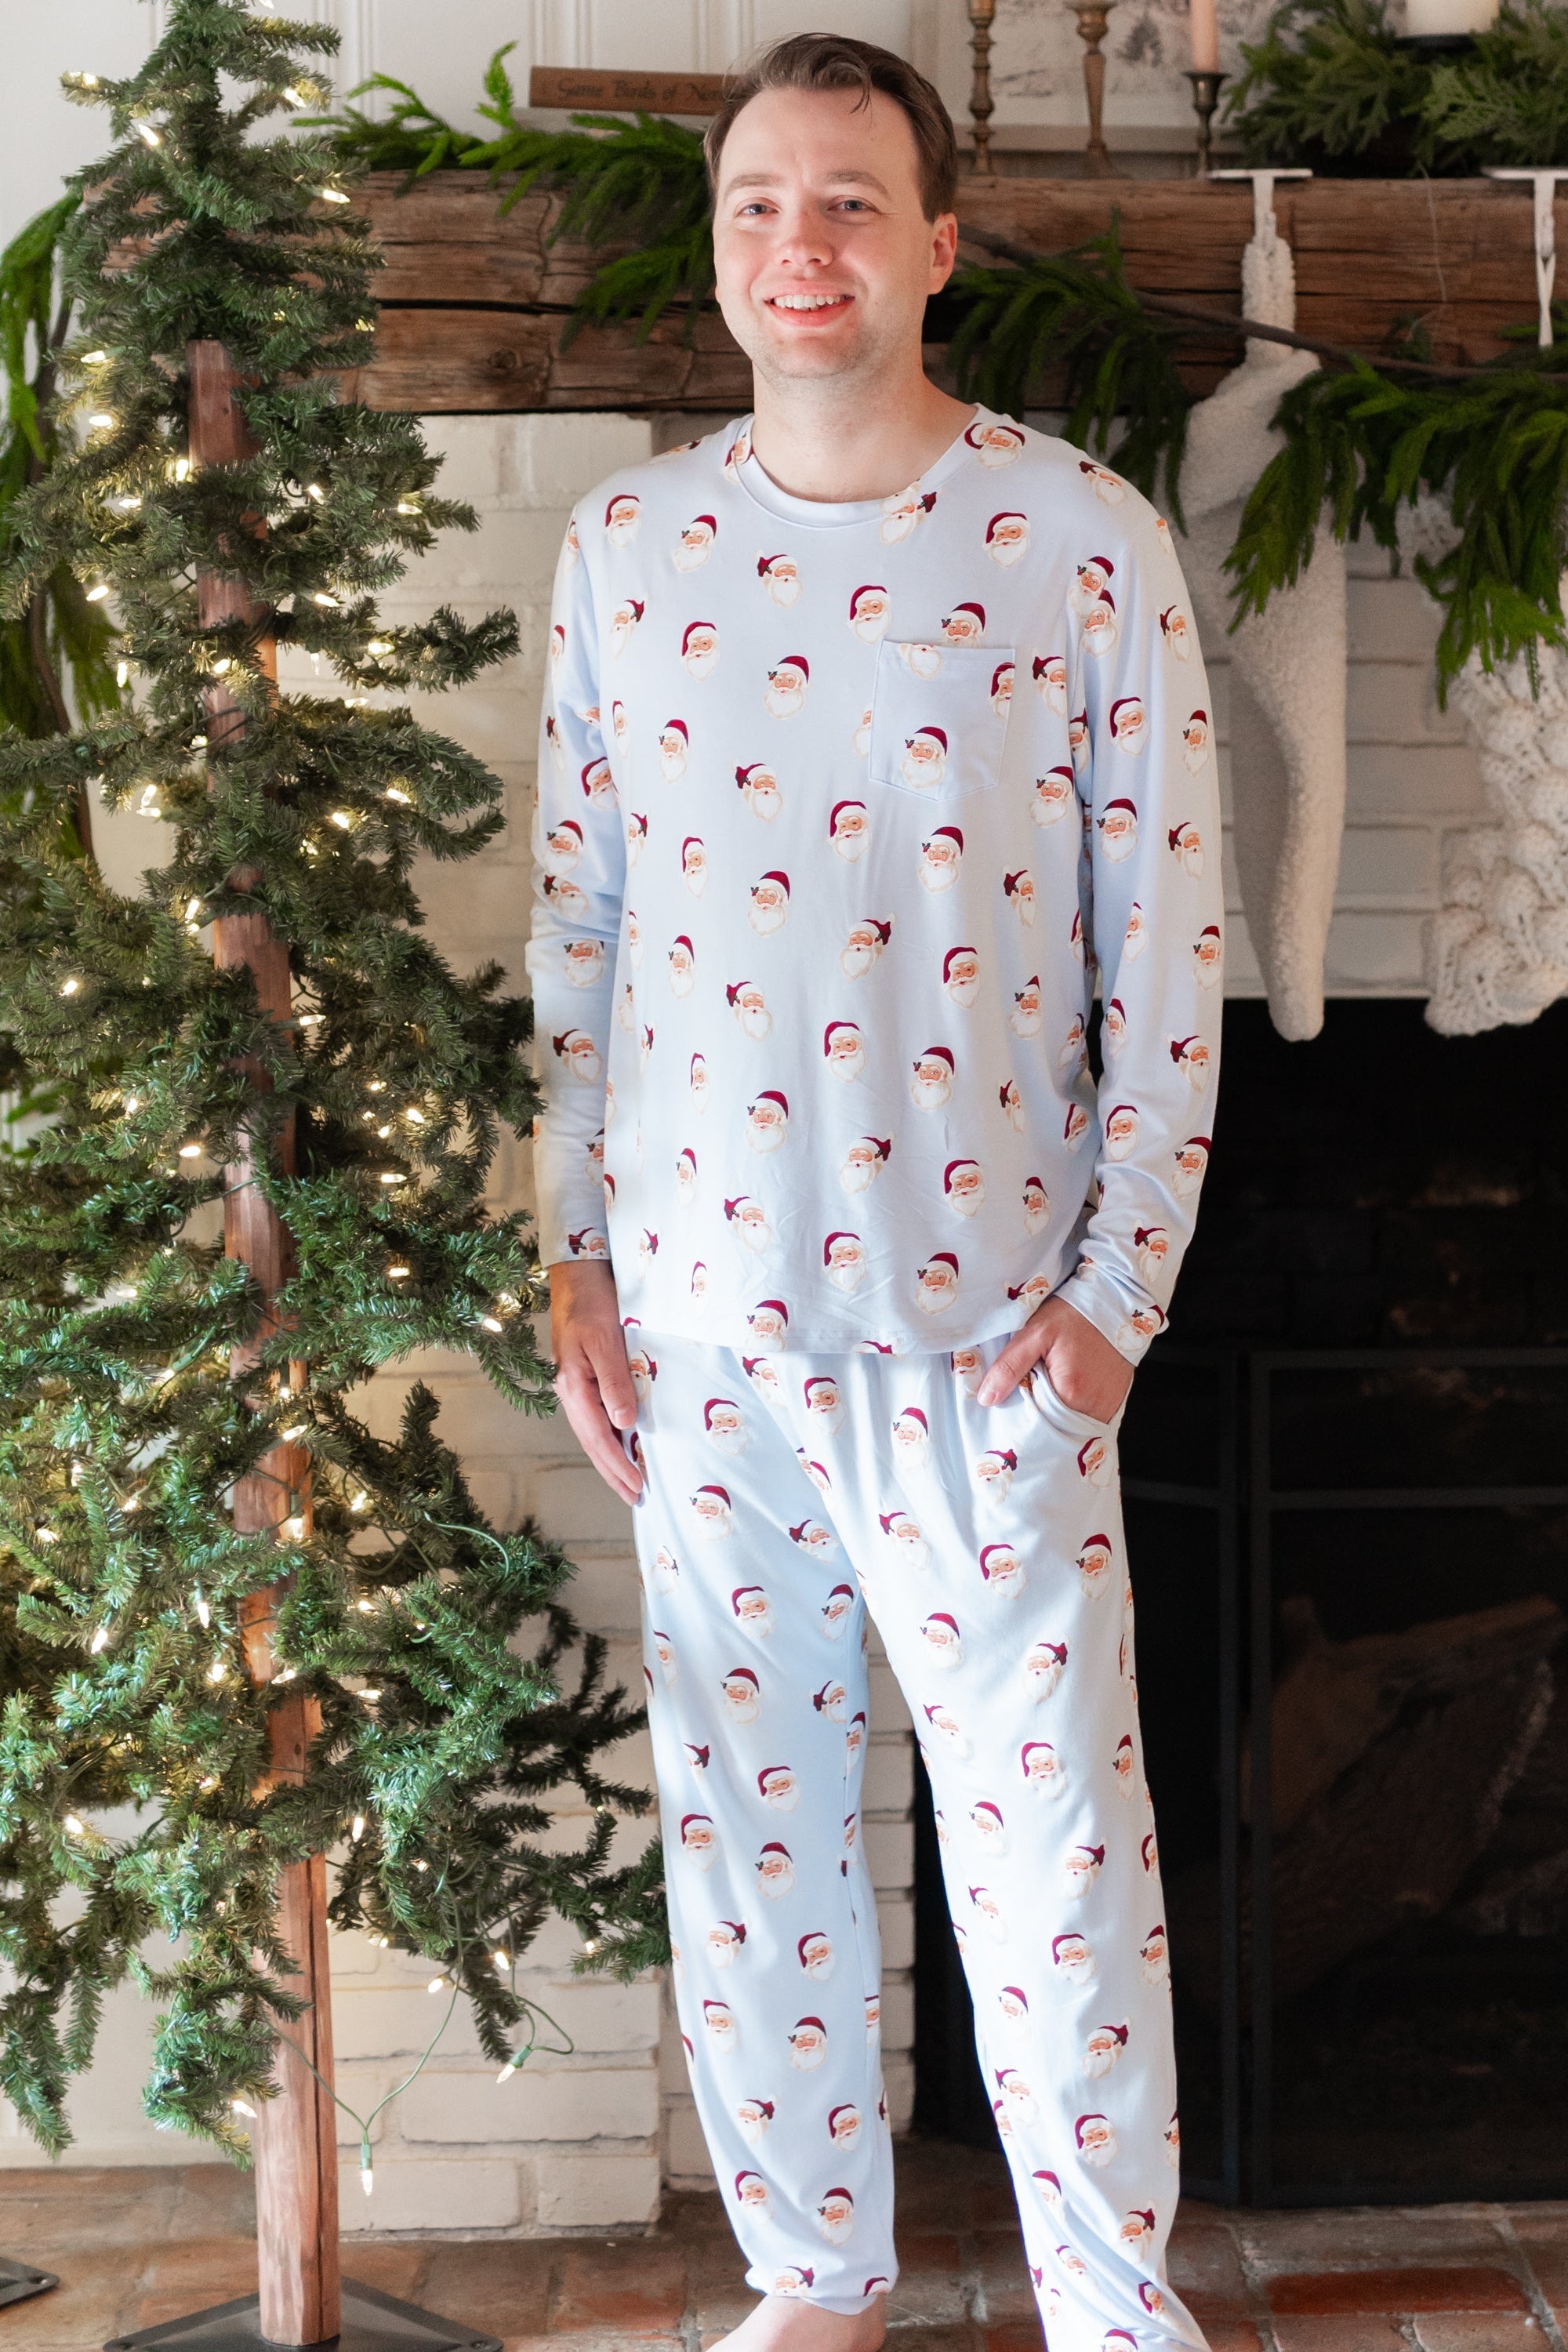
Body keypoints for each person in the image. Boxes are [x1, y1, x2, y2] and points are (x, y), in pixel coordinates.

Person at [524, 32, 1221, 2352]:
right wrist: (575, 1257)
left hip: (989, 1334)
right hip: (707, 1344)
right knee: (757, 1860)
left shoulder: (1079, 537)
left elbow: (1173, 944)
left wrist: (1118, 1292)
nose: (792, 245)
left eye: (844, 203)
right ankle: (814, 2287)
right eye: (753, 203)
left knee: (1051, 1880)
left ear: (934, 246)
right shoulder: (627, 547)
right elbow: (582, 932)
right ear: (718, 248)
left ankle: (1116, 2311)